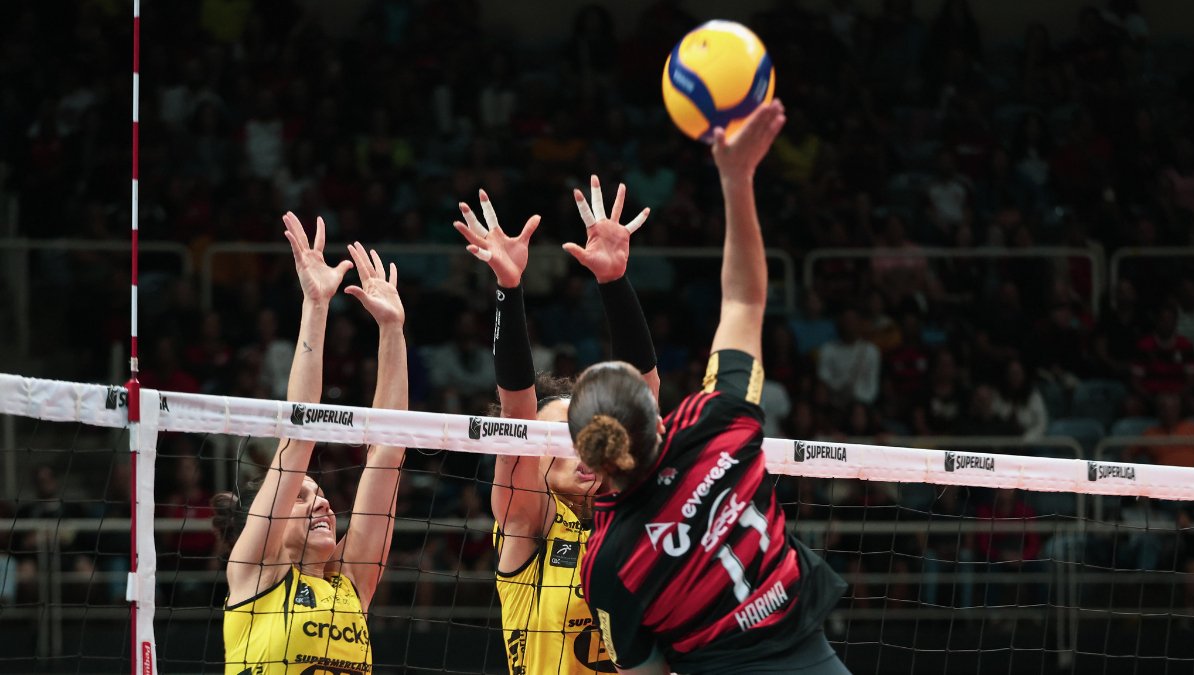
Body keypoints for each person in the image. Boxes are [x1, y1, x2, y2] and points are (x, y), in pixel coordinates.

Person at [566, 101, 849, 674]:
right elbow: (744, 301)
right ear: (658, 417)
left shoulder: (608, 563)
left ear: (587, 457)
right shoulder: (719, 426)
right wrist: (736, 179)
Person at [452, 175, 657, 674]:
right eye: (559, 438)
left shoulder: (630, 511)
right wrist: (508, 289)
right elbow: (517, 412)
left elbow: (643, 393)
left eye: (584, 434)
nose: (580, 448)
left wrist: (614, 282)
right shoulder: (529, 524)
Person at [211, 213, 408, 674]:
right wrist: (316, 305)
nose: (322, 503)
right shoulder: (255, 573)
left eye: (318, 495)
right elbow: (297, 438)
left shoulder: (350, 584)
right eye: (301, 497)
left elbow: (389, 450)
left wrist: (392, 331)